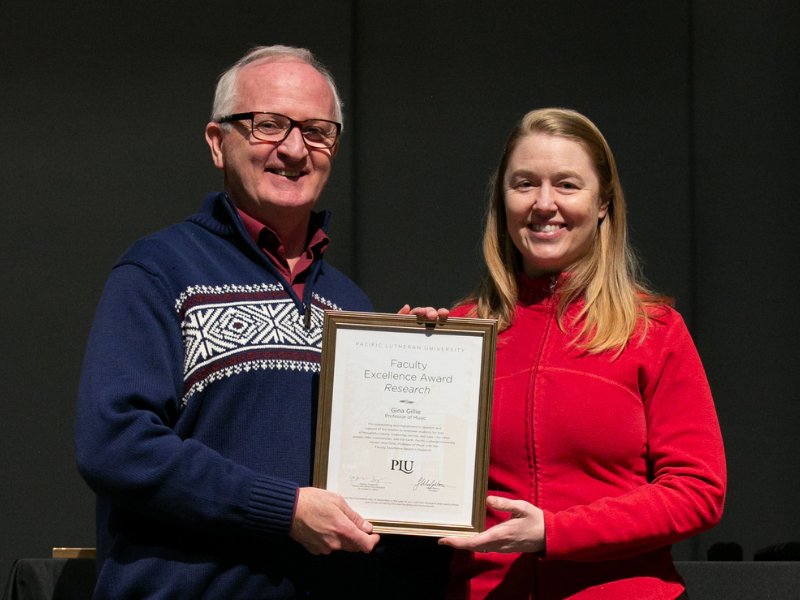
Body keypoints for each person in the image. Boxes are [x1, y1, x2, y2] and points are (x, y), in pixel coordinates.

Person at [76, 45, 388, 599]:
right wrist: (283, 509)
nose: (295, 149)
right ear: (218, 143)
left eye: (317, 131)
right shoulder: (159, 271)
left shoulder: (350, 306)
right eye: (268, 125)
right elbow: (116, 444)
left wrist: (418, 356)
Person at [437, 108, 726, 600]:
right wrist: (401, 354)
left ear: (602, 204)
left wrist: (555, 532)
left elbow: (698, 491)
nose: (544, 203)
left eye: (567, 185)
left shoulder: (653, 331)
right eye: (524, 183)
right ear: (501, 201)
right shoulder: (461, 333)